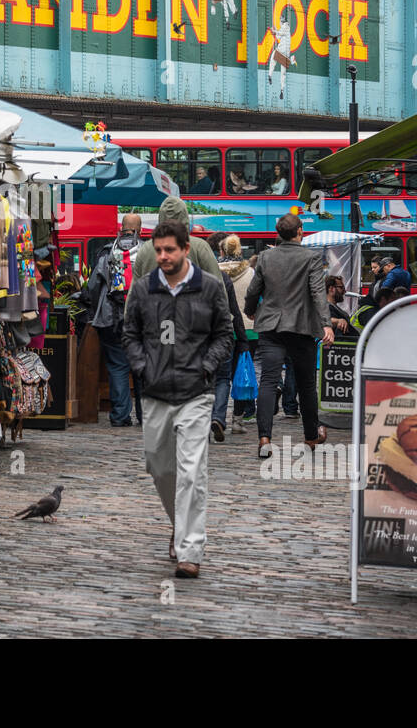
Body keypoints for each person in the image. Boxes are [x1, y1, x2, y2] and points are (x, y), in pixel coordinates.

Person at [122, 220, 233, 579]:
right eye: (158, 250)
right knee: (160, 467)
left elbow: (224, 334)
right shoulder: (143, 289)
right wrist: (142, 366)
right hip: (155, 392)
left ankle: (190, 549)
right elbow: (130, 333)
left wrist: (206, 366)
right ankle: (178, 525)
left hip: (195, 393)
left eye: (169, 249)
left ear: (186, 249)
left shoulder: (210, 288)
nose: (163, 256)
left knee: (191, 473)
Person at [243, 213, 334, 459]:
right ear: (300, 231)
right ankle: (310, 437)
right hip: (301, 327)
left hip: (271, 327)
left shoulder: (265, 257)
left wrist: (250, 311)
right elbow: (317, 293)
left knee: (269, 381)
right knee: (306, 384)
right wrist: (326, 324)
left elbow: (253, 291)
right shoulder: (312, 258)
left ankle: (264, 438)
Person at [79, 217, 142, 428]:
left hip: (110, 318)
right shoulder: (147, 251)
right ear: (139, 230)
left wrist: (98, 308)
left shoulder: (107, 252)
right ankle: (146, 416)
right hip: (140, 320)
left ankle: (120, 415)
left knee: (117, 367)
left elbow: (94, 286)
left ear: (121, 229)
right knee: (142, 368)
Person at [219, 235, 259, 427]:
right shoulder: (250, 273)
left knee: (222, 376)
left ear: (222, 251)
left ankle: (218, 415)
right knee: (241, 373)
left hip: (222, 329)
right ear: (240, 251)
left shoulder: (215, 272)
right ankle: (238, 418)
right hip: (248, 329)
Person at [134, 196, 222, 280]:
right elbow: (218, 287)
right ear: (185, 217)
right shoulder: (201, 247)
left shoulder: (145, 249)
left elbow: (134, 291)